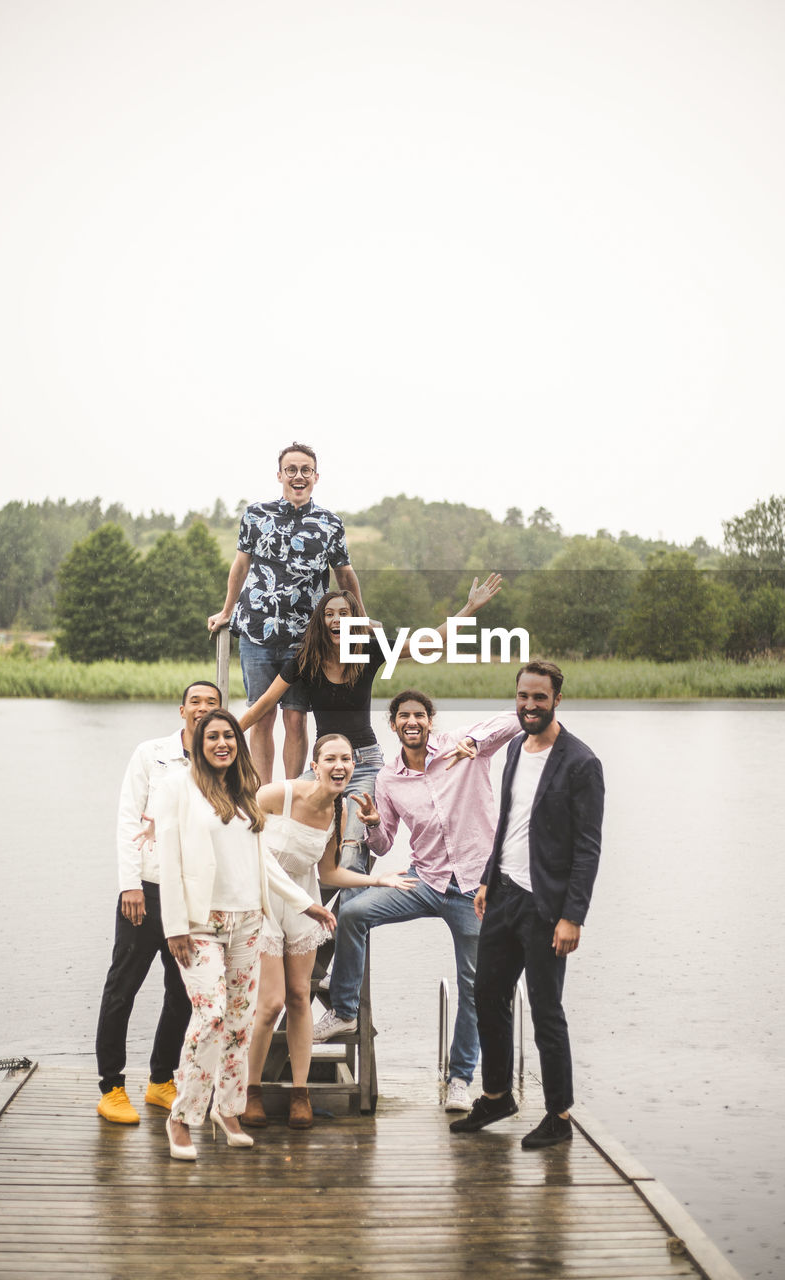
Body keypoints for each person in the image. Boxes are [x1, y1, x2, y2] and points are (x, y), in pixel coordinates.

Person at [313, 689, 521, 1113]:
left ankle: (460, 1079)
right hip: (423, 880)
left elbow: (516, 719)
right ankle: (345, 1009)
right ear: (393, 724)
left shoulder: (462, 749)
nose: (412, 721)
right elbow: (385, 842)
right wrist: (371, 825)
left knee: (473, 986)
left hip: (474, 889)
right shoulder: (388, 779)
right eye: (403, 715)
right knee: (353, 912)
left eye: (419, 715)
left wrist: (479, 743)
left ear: (430, 720)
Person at [156, 708, 336, 1160]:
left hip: (248, 924)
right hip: (200, 925)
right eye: (212, 736)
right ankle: (181, 1117)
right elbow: (169, 860)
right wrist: (174, 926)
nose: (222, 743)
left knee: (238, 1023)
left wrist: (305, 903)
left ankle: (229, 1108)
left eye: (229, 736)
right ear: (198, 742)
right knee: (212, 1015)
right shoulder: (179, 787)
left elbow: (265, 863)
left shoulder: (243, 792)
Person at [238, 575, 502, 882]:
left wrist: (469, 607)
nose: (336, 619)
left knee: (352, 847)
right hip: (323, 765)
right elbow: (263, 705)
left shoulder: (369, 650)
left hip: (364, 765)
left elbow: (428, 643)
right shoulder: (305, 659)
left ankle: (344, 919)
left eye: (344, 614)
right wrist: (216, 735)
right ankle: (299, 905)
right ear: (322, 622)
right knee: (286, 821)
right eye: (329, 614)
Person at [450, 661, 604, 1149]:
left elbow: (588, 848)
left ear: (557, 698)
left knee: (546, 1011)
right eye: (523, 696)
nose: (529, 706)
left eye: (539, 697)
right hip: (505, 894)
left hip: (547, 907)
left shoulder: (581, 763)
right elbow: (508, 821)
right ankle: (496, 1096)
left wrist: (572, 916)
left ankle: (558, 1115)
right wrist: (487, 881)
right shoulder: (516, 746)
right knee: (486, 996)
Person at [241, 734, 417, 1130]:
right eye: (331, 759)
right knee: (270, 1003)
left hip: (305, 905)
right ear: (315, 764)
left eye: (347, 760)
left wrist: (377, 882)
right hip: (263, 900)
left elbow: (327, 874)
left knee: (300, 996)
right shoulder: (279, 795)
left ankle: (299, 1093)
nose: (340, 767)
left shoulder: (337, 813)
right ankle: (251, 1089)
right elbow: (240, 837)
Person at [94, 680, 222, 1125]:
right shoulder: (151, 754)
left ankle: (160, 1080)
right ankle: (111, 1087)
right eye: (196, 702)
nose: (203, 709)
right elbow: (129, 817)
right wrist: (129, 883)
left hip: (189, 897)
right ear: (181, 710)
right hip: (145, 891)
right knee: (122, 989)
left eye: (212, 703)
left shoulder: (219, 759)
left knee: (183, 992)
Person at [207, 442, 366, 783]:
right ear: (280, 475)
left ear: (316, 477)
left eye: (305, 470)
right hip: (256, 632)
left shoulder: (329, 523)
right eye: (291, 470)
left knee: (296, 718)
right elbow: (240, 565)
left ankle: (293, 792)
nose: (298, 476)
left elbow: (344, 574)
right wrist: (226, 611)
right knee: (261, 716)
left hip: (306, 639)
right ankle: (265, 795)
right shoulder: (255, 515)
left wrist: (360, 620)